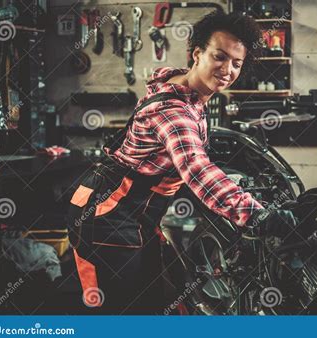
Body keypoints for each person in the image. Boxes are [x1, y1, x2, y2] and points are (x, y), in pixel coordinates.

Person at [67, 10, 297, 314]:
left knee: (154, 300)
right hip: (106, 213)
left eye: (236, 63)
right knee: (119, 311)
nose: (227, 70)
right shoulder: (175, 112)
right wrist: (256, 215)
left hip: (135, 217)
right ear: (198, 53)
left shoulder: (186, 92)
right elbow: (196, 168)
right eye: (219, 56)